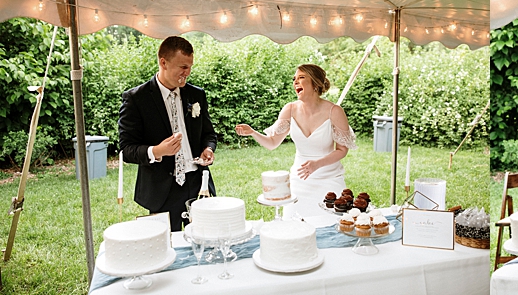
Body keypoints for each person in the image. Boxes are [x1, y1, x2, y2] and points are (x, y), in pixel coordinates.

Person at [118, 36, 217, 232]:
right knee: (166, 249)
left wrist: (208, 149)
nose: (187, 73)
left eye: (189, 67)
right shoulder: (136, 99)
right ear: (163, 62)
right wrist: (157, 151)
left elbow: (209, 133)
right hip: (161, 190)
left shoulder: (197, 95)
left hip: (198, 184)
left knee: (205, 241)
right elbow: (127, 150)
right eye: (182, 67)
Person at [235, 64, 356, 219]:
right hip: (300, 180)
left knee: (331, 225)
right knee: (293, 226)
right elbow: (272, 143)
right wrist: (252, 132)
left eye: (301, 78)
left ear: (315, 83)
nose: (295, 82)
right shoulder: (290, 109)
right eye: (294, 79)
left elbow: (342, 150)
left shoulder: (335, 111)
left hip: (329, 179)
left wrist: (316, 164)